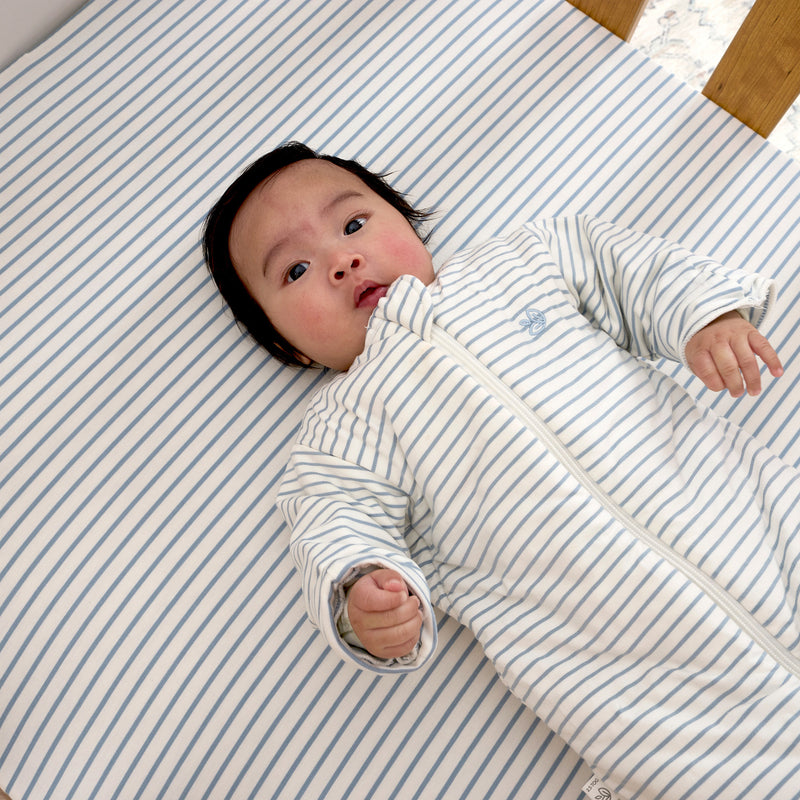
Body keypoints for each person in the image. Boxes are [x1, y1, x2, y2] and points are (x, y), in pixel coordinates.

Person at [204, 142, 800, 799]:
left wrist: (702, 319)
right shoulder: (340, 434)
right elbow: (334, 522)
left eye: (353, 226)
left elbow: (626, 268)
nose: (343, 262)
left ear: (405, 220)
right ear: (285, 343)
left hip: (759, 528)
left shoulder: (524, 262)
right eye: (294, 271)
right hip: (652, 695)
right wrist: (362, 593)